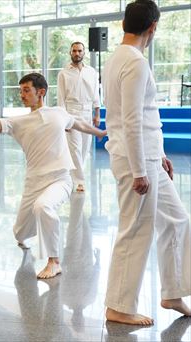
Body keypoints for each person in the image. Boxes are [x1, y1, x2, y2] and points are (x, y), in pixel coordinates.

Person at [0, 73, 106, 279]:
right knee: (20, 232)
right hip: (34, 182)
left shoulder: (58, 113)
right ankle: (23, 236)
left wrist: (100, 133)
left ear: (41, 92)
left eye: (26, 90)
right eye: (21, 91)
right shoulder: (19, 121)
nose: (22, 95)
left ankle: (54, 261)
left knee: (44, 207)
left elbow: (79, 124)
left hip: (61, 179)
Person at [102, 0, 190, 325]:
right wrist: (140, 170)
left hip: (150, 157)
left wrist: (161, 154)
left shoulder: (117, 59)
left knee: (178, 220)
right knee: (135, 230)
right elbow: (131, 120)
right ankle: (118, 307)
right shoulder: (134, 62)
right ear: (153, 27)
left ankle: (174, 292)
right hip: (136, 161)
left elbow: (147, 117)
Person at [57, 41, 100, 193]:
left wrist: (97, 113)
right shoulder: (63, 73)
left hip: (88, 113)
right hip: (71, 113)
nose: (77, 53)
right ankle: (80, 180)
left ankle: (73, 174)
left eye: (79, 51)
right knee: (74, 148)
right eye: (74, 51)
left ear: (84, 53)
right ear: (70, 53)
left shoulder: (92, 72)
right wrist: (64, 121)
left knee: (84, 149)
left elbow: (96, 94)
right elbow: (60, 98)